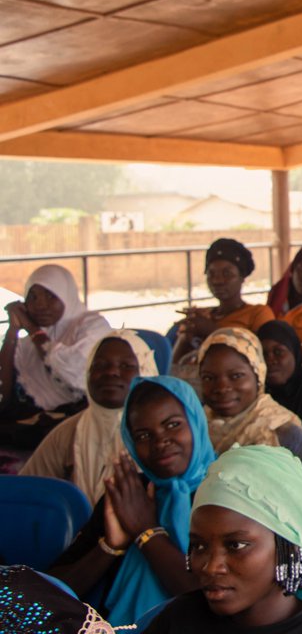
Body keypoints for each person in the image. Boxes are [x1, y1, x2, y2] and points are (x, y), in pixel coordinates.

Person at [143, 445, 302, 634]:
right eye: (199, 546)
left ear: (287, 545)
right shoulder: (180, 621)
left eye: (236, 545)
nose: (211, 566)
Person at [50, 375, 214, 626]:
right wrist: (110, 547)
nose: (160, 441)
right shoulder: (129, 492)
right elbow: (53, 593)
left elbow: (208, 599)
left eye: (172, 425)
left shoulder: (222, 495)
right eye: (143, 436)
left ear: (196, 422)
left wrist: (146, 532)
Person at [197, 328, 302, 547]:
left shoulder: (284, 435)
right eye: (209, 378)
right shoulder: (196, 426)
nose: (222, 387)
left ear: (258, 375)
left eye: (236, 376)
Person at [20, 330, 160, 503]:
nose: (111, 372)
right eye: (100, 365)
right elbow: (24, 492)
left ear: (146, 372)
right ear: (87, 373)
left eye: (126, 366)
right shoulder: (69, 432)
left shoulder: (160, 432)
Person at [0, 265, 111, 440]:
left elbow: (75, 374)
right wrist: (12, 331)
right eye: (33, 297)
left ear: (66, 296)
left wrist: (32, 329)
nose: (40, 305)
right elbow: (3, 392)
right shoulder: (28, 342)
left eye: (50, 296)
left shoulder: (93, 326)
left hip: (73, 420)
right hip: (31, 417)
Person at [172, 239, 274, 366]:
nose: (217, 280)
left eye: (227, 274)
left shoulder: (258, 313)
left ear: (242, 277)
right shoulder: (203, 316)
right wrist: (185, 336)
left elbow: (261, 355)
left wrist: (211, 330)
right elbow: (173, 366)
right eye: (211, 274)